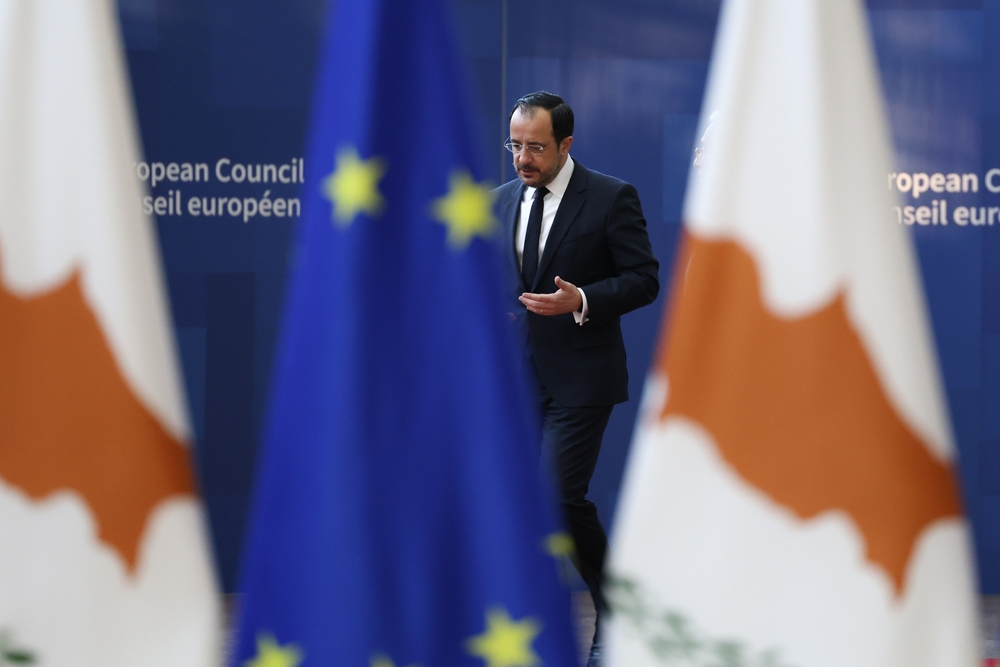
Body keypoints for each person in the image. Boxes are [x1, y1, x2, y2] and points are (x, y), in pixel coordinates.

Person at [494, 92, 659, 666]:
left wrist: (583, 298)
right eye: (515, 145)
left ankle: (615, 616)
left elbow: (643, 279)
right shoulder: (497, 202)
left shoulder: (611, 197)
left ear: (565, 144)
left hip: (581, 376)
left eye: (536, 147)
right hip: (514, 380)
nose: (523, 158)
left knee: (559, 497)